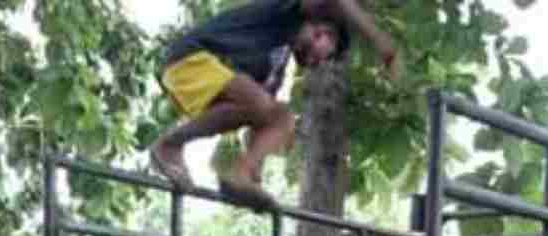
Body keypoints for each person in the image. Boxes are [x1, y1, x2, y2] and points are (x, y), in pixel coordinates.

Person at [147, 0, 399, 210]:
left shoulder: (275, 63)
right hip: (193, 56)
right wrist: (382, 43)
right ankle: (170, 143)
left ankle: (241, 174)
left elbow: (259, 120)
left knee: (281, 117)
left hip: (205, 76)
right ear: (316, 23)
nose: (313, 56)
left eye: (313, 60)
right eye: (319, 40)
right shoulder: (288, 13)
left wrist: (254, 172)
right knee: (266, 106)